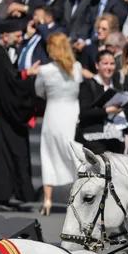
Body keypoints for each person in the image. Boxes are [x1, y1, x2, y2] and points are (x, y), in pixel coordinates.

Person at [0, 18, 38, 210]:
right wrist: (29, 78)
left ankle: (7, 195)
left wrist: (24, 75)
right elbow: (10, 86)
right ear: (5, 36)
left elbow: (11, 78)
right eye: (17, 36)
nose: (19, 39)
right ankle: (1, 197)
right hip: (5, 113)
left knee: (9, 153)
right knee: (7, 154)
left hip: (3, 112)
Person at [35, 32, 82, 215]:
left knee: (48, 155)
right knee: (75, 154)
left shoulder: (45, 70)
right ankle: (77, 198)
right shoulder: (76, 67)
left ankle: (47, 200)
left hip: (53, 114)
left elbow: (39, 91)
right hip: (72, 114)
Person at [77, 49, 128, 155]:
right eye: (105, 63)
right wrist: (107, 110)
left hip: (117, 138)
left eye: (112, 64)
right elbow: (84, 113)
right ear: (97, 65)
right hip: (95, 138)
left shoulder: (118, 85)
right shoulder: (88, 85)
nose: (109, 67)